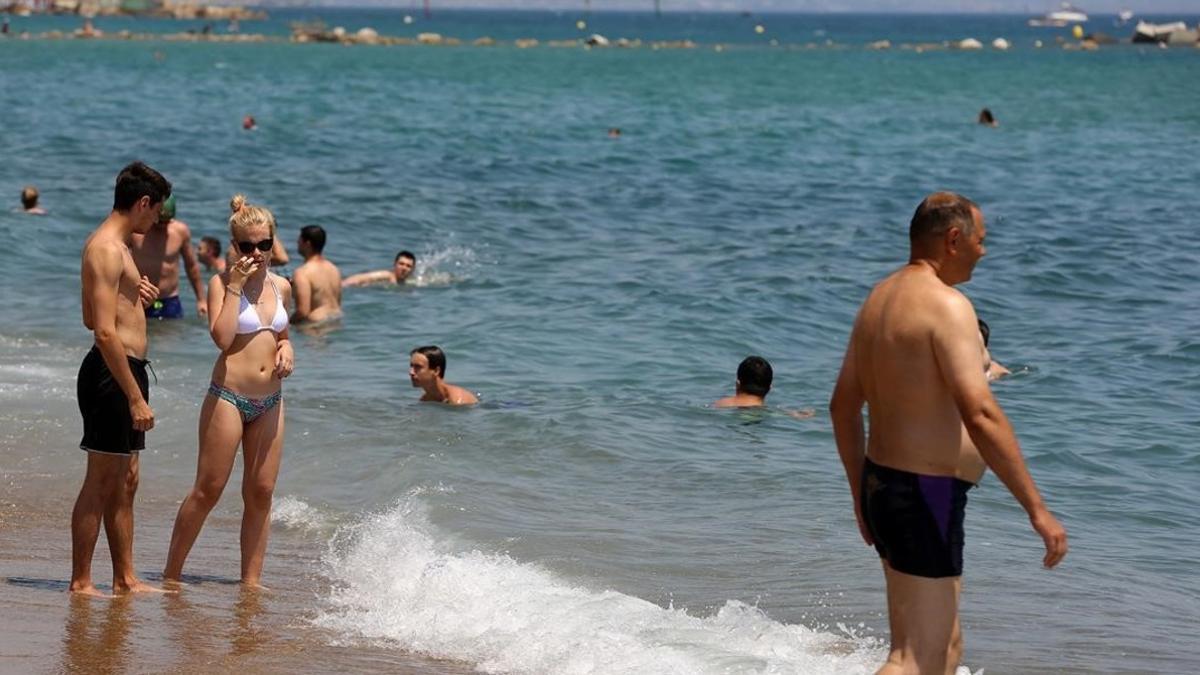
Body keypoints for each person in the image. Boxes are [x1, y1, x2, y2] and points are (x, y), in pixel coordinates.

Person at [828, 192, 1067, 674]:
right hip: (923, 495)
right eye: (982, 240)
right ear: (954, 239)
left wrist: (861, 494)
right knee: (914, 658)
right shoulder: (947, 306)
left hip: (888, 487)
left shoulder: (878, 300)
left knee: (946, 650)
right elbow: (980, 412)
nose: (985, 250)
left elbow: (842, 407)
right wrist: (1037, 509)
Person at [163, 194, 294, 588]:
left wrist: (288, 349)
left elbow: (283, 334)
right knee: (209, 489)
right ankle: (171, 574)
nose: (257, 253)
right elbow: (221, 339)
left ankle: (250, 583)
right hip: (229, 398)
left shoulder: (282, 286)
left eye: (264, 244)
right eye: (247, 246)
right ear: (235, 246)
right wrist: (236, 284)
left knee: (262, 491)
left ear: (273, 242)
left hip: (271, 401)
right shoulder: (221, 284)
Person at [71, 161, 172, 597]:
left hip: (127, 369)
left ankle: (125, 578)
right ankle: (81, 582)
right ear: (142, 203)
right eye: (156, 212)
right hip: (113, 375)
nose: (157, 220)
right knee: (101, 479)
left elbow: (95, 312)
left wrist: (136, 295)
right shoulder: (107, 249)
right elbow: (102, 330)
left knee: (127, 479)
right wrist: (134, 397)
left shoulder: (120, 249)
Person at [130, 194, 206, 319]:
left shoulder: (180, 231)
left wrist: (201, 300)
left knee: (172, 336)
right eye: (159, 221)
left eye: (166, 221)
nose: (162, 225)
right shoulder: (137, 231)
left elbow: (191, 266)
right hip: (141, 298)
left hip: (170, 300)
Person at [290, 225, 343, 323]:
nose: (297, 243)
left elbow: (302, 312)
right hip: (336, 320)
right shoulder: (334, 269)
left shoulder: (302, 273)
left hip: (315, 326)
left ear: (307, 244)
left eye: (300, 240)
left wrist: (286, 325)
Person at [410, 346, 477, 405]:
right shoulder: (424, 401)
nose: (411, 372)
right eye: (411, 366)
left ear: (436, 371)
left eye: (418, 367)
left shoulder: (458, 400)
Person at [343, 250, 416, 287]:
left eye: (408, 266)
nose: (404, 268)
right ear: (394, 264)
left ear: (412, 269)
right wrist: (343, 285)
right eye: (401, 264)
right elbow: (360, 277)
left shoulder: (407, 282)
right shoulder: (386, 275)